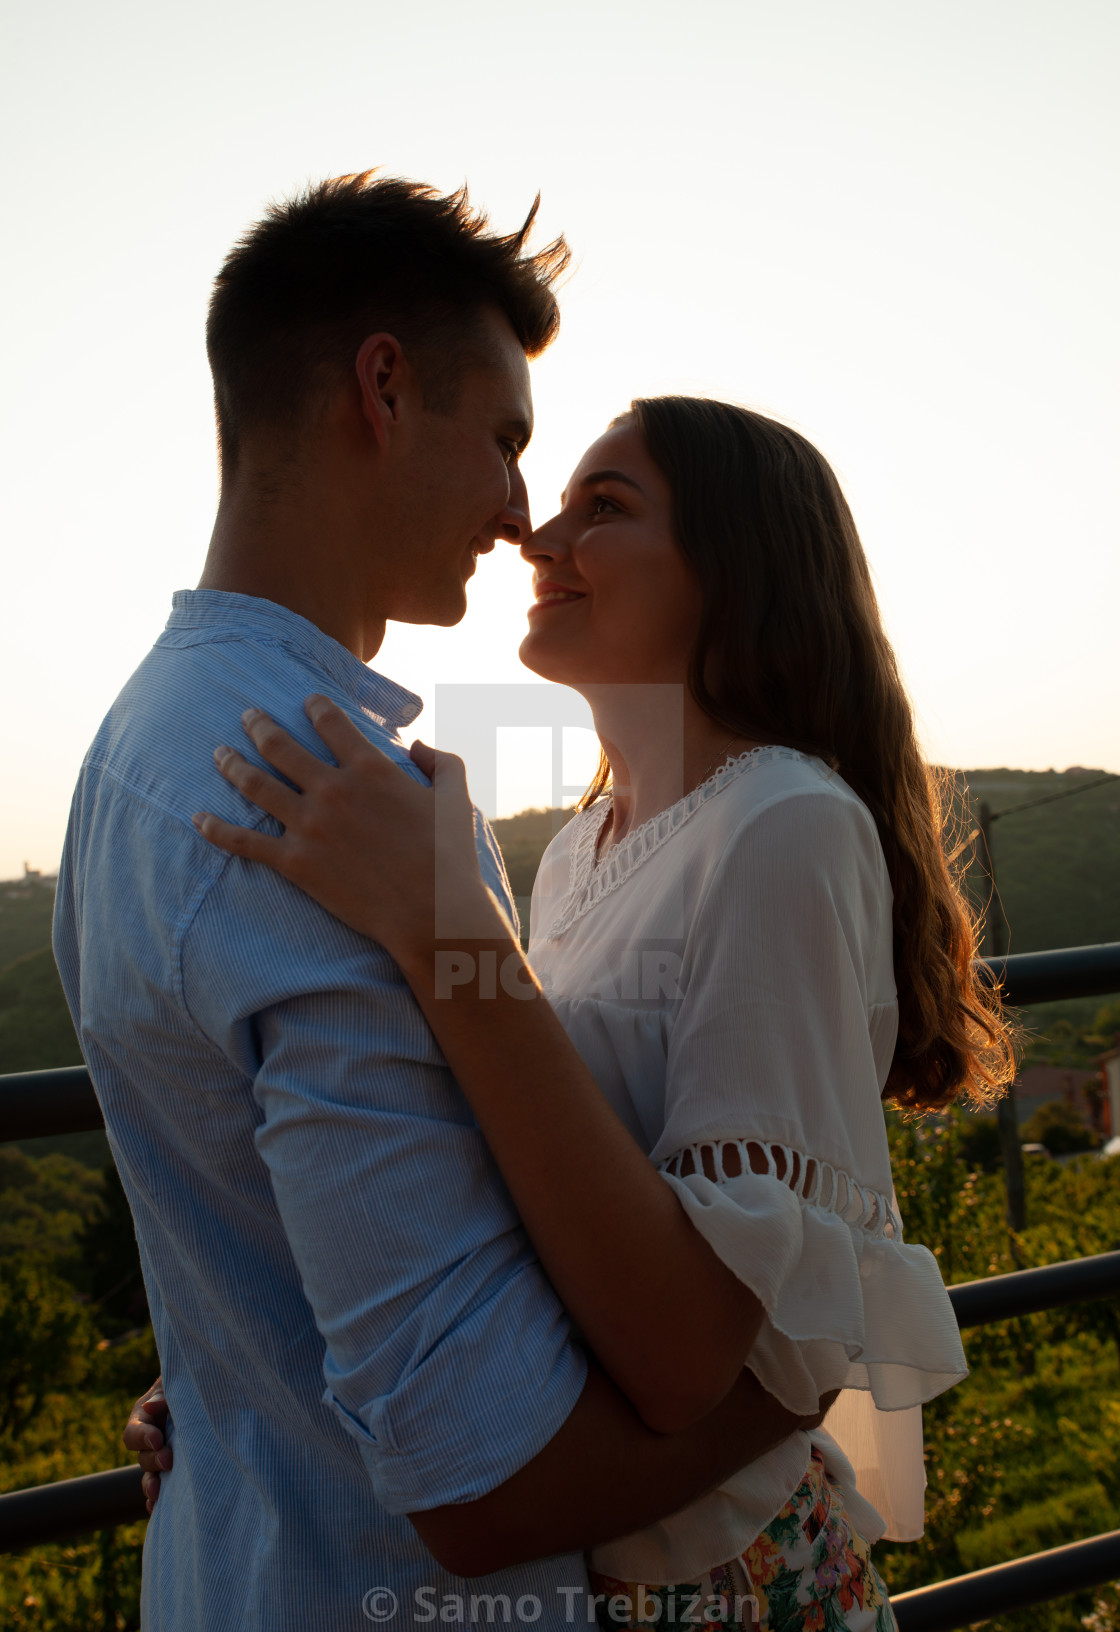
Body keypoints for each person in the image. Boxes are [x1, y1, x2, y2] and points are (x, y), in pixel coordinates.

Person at [56, 174, 832, 1631]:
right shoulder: (319, 801)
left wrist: (231, 1373)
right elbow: (483, 1484)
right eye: (507, 441)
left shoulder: (134, 745)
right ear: (385, 387)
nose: (520, 512)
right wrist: (807, 1370)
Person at [166, 395, 1017, 1627]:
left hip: (718, 1586)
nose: (539, 535)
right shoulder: (574, 852)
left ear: (736, 567)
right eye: (557, 501)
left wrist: (441, 922)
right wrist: (248, 1371)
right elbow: (496, 1148)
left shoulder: (783, 826)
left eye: (602, 508)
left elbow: (687, 1361)